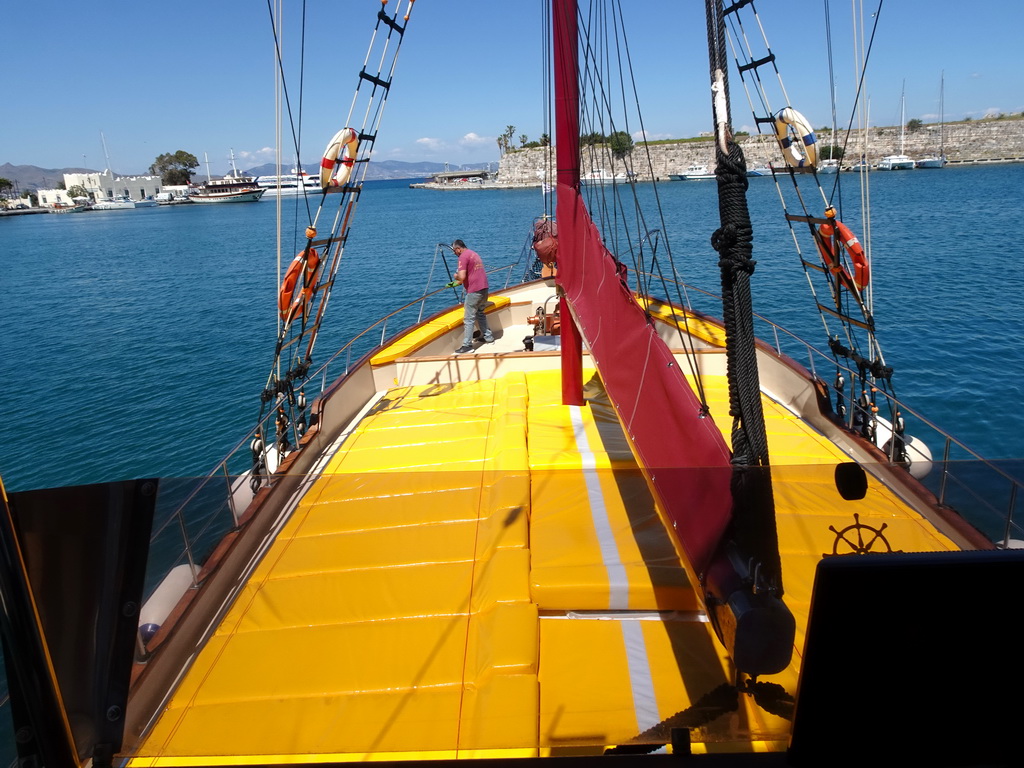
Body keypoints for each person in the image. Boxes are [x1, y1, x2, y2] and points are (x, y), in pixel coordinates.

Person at [448, 239, 494, 353]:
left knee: (468, 319)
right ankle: (488, 337)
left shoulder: (463, 257)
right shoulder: (474, 253)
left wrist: (455, 276)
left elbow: (462, 276)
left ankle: (467, 346)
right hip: (484, 288)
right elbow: (471, 273)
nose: (454, 253)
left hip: (474, 291)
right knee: (480, 313)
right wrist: (459, 281)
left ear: (458, 249)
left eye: (454, 251)